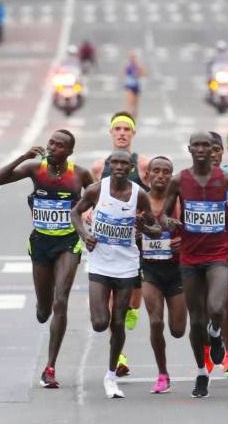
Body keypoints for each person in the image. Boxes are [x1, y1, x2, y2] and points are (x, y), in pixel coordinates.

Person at [0, 130, 93, 389]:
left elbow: (97, 197)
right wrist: (23, 157)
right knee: (44, 311)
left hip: (68, 243)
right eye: (51, 143)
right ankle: (41, 305)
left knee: (61, 300)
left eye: (59, 145)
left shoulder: (80, 174)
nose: (53, 147)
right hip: (41, 243)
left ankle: (50, 367)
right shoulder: (35, 169)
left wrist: (89, 215)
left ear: (69, 152)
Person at [161, 132, 228, 398]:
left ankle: (217, 332)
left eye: (206, 146)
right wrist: (169, 223)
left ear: (213, 150)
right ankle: (201, 372)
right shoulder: (179, 180)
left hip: (217, 254)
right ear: (189, 149)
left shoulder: (227, 178)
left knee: (217, 307)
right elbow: (164, 214)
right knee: (196, 321)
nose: (201, 149)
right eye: (196, 145)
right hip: (189, 256)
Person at [71, 149, 157, 399]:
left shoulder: (139, 195)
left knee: (118, 321)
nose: (119, 167)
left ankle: (110, 376)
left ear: (130, 168)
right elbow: (75, 213)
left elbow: (154, 228)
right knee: (100, 323)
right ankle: (106, 327)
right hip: (99, 262)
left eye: (124, 163)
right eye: (114, 163)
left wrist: (144, 227)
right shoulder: (97, 190)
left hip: (126, 265)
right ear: (109, 166)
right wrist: (85, 235)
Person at [91, 112, 149, 376]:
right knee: (113, 303)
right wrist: (87, 214)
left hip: (136, 242)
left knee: (132, 303)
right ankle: (120, 355)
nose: (122, 133)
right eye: (118, 129)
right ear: (111, 133)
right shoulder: (98, 166)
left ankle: (131, 310)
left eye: (127, 129)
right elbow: (91, 197)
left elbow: (154, 197)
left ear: (133, 134)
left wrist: (147, 220)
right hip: (108, 243)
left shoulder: (143, 164)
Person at [139, 156, 186, 394]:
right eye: (155, 171)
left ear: (172, 176)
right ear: (147, 175)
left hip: (177, 271)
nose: (160, 175)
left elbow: (196, 231)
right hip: (150, 270)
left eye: (166, 172)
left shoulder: (179, 201)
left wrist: (184, 242)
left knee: (178, 330)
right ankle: (162, 374)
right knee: (156, 321)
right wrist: (137, 237)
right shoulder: (139, 201)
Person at [123, 50, 144, 118]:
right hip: (130, 86)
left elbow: (144, 74)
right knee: (129, 103)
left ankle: (134, 118)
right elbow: (124, 74)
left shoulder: (139, 65)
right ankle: (127, 116)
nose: (132, 58)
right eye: (131, 57)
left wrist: (139, 73)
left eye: (134, 57)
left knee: (136, 105)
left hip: (137, 86)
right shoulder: (128, 66)